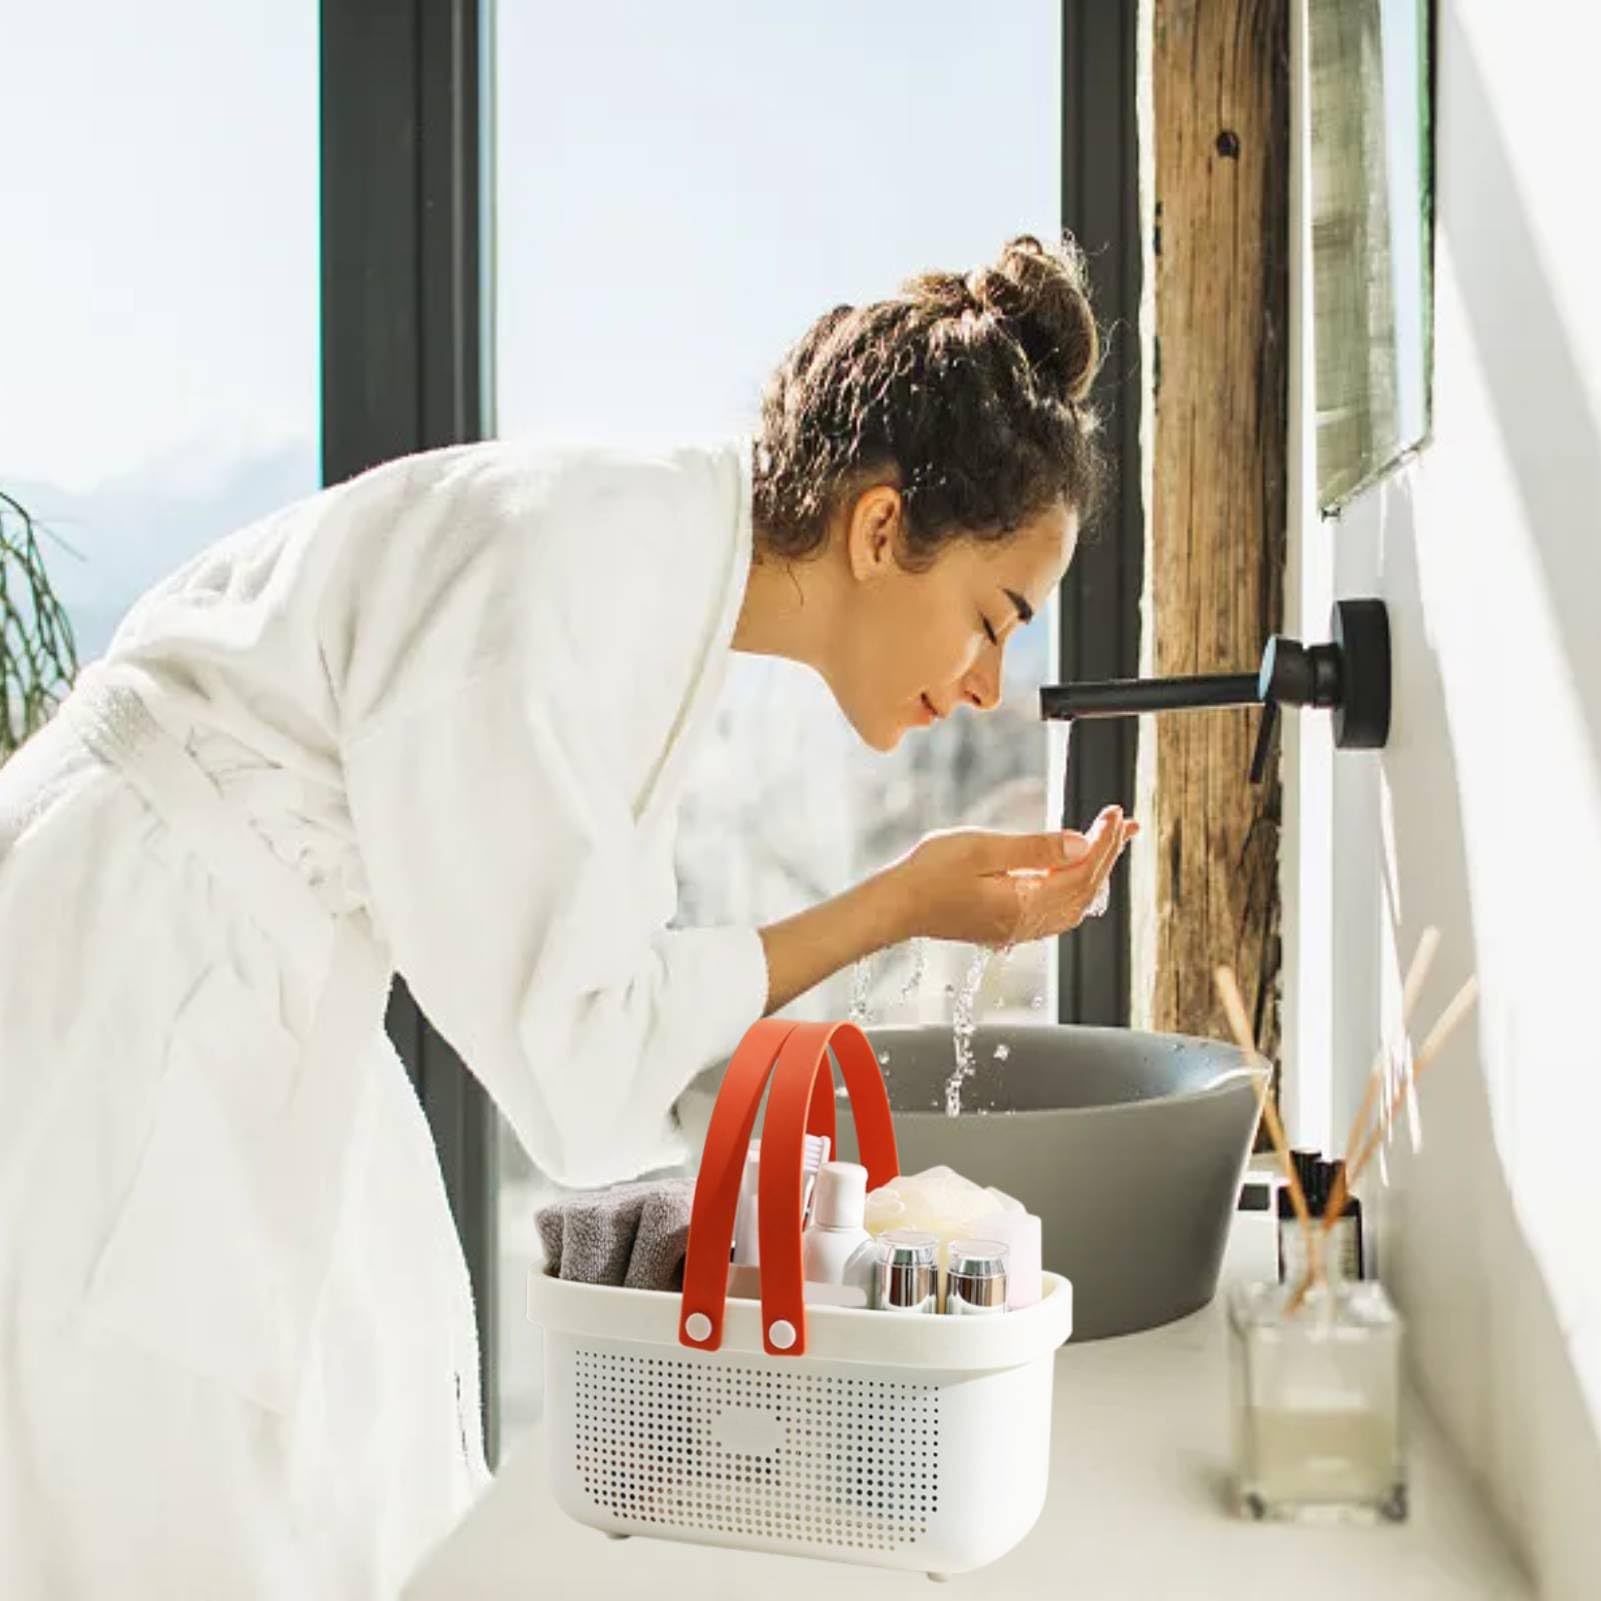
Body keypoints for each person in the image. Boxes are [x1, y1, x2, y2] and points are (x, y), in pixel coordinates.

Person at [0, 233, 1136, 1596]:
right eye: (993, 616)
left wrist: (896, 905)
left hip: (242, 957)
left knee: (349, 1446)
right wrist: (895, 902)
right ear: (881, 528)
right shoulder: (577, 565)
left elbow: (593, 1015)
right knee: (178, 1477)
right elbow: (581, 1063)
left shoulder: (656, 569)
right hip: (137, 958)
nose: (987, 679)